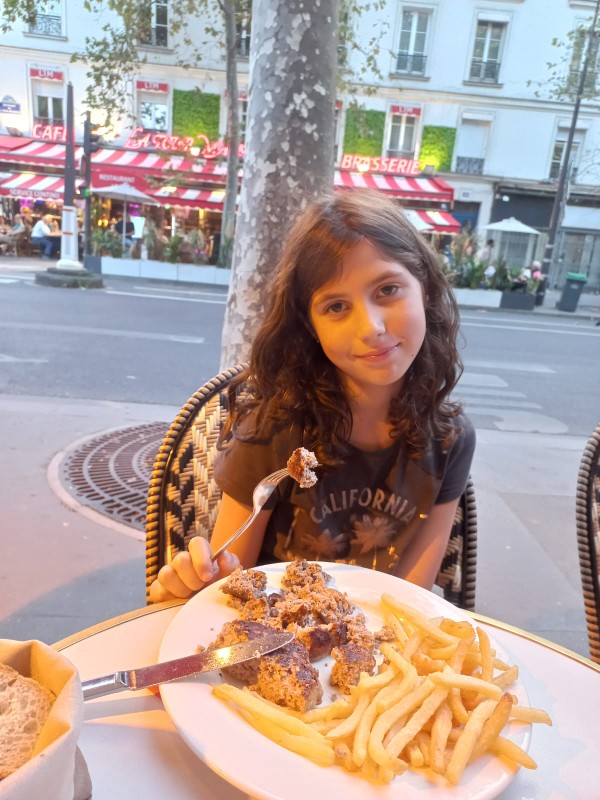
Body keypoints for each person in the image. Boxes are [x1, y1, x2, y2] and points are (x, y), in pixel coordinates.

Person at [149, 190, 476, 603]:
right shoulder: (276, 429)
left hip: (381, 634)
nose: (371, 327)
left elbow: (412, 594)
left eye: (388, 289)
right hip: (277, 630)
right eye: (336, 307)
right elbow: (229, 586)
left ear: (424, 288)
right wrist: (190, 590)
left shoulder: (450, 440)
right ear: (310, 327)